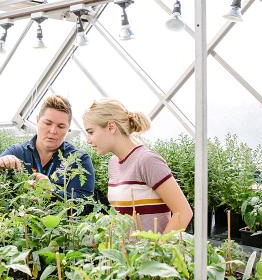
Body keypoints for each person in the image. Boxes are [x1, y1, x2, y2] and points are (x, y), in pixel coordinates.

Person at [82, 98, 192, 233]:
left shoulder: (147, 161)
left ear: (111, 127)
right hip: (126, 253)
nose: (88, 140)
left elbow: (183, 212)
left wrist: (158, 250)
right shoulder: (113, 163)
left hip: (151, 253)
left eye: (91, 132)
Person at [0, 94, 95, 199]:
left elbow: (86, 203)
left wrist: (52, 191)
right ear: (37, 120)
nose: (53, 131)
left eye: (61, 126)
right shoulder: (16, 153)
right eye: (48, 123)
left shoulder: (78, 159)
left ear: (68, 129)